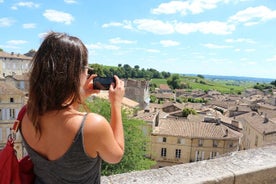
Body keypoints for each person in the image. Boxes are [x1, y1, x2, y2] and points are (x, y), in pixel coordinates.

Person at [20, 31, 125, 184]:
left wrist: (78, 96)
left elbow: (58, 118)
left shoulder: (27, 114)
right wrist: (116, 104)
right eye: (86, 69)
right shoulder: (93, 125)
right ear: (76, 72)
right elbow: (116, 155)